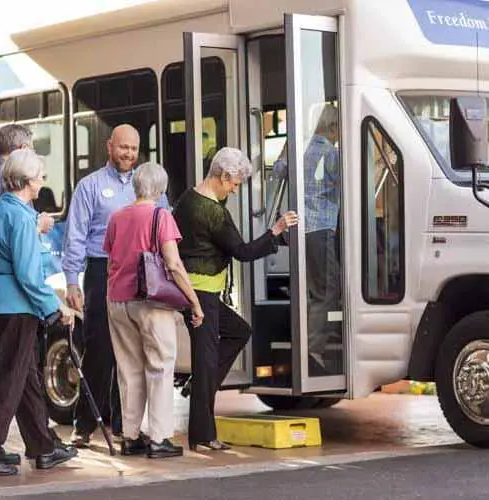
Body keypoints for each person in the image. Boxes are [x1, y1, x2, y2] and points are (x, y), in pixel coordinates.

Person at [173, 147, 298, 451]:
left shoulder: (187, 198)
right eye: (235, 183)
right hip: (201, 295)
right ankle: (203, 436)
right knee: (205, 363)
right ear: (224, 176)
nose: (235, 189)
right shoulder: (214, 211)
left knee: (238, 332)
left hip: (194, 291)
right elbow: (243, 252)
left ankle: (202, 387)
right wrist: (276, 231)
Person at [62, 124, 169, 447]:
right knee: (99, 351)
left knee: (133, 351)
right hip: (100, 270)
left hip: (143, 272)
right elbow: (76, 236)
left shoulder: (149, 186)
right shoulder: (90, 185)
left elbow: (165, 224)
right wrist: (71, 282)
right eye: (123, 147)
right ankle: (84, 425)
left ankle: (126, 427)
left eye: (134, 149)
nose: (129, 154)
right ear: (110, 146)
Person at [104, 163, 204, 458]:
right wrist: (193, 302)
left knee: (129, 369)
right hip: (150, 301)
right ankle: (159, 438)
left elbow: (111, 261)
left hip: (117, 301)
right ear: (161, 190)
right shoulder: (162, 216)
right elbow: (172, 264)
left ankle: (131, 436)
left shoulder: (117, 217)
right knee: (160, 366)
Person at [0, 149, 77, 476]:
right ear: (27, 181)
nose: (43, 181)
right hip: (17, 308)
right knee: (9, 380)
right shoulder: (23, 217)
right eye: (40, 176)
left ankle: (42, 446)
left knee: (26, 379)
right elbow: (27, 274)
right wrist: (56, 306)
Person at [273, 103, 341, 375]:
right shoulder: (331, 153)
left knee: (308, 289)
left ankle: (308, 340)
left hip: (296, 230)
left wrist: (286, 148)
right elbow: (348, 186)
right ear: (333, 128)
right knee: (327, 290)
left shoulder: (299, 147)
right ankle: (313, 349)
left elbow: (277, 172)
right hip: (321, 228)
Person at [0, 124, 54, 234]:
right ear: (23, 148)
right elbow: (18, 232)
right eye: (32, 151)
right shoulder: (12, 179)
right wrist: (39, 226)